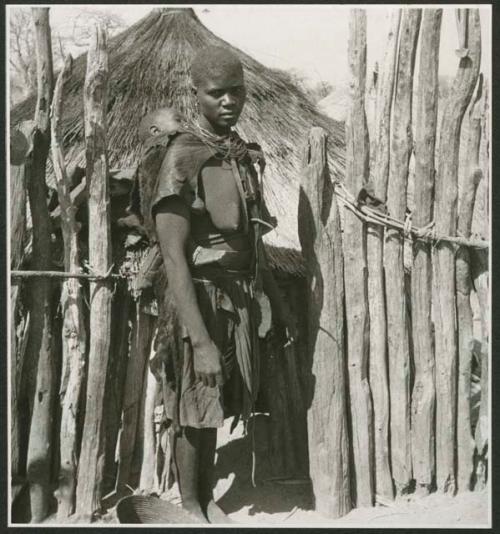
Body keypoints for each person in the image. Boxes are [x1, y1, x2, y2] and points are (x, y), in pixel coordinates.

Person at [137, 45, 296, 524]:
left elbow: (253, 239)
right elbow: (173, 256)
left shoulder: (240, 155)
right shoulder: (182, 158)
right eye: (216, 93)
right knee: (194, 402)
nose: (228, 101)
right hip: (199, 300)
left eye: (236, 92)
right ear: (195, 94)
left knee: (217, 404)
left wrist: (270, 301)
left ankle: (207, 497)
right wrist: (200, 339)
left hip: (238, 298)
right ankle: (191, 504)